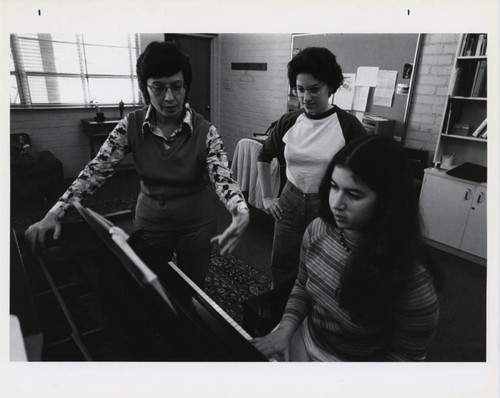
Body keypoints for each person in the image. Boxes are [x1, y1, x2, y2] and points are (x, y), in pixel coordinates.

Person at [24, 41, 250, 288]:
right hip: (151, 222)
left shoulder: (205, 131)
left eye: (176, 87)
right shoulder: (130, 125)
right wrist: (55, 212)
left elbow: (223, 178)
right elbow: (95, 170)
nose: (169, 98)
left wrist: (240, 210)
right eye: (158, 88)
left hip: (196, 225)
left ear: (186, 87)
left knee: (192, 288)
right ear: (145, 88)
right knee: (146, 285)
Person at [252, 135, 440, 361]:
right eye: (334, 186)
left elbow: (403, 362)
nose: (336, 204)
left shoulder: (413, 281)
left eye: (354, 194)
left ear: (387, 201)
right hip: (306, 336)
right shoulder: (317, 230)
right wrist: (285, 328)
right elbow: (302, 285)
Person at [257, 47, 366, 286]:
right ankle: (281, 309)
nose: (306, 97)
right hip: (290, 201)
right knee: (282, 262)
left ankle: (312, 314)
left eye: (314, 89)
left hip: (328, 205)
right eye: (300, 89)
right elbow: (264, 155)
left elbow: (367, 175)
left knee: (322, 266)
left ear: (330, 87)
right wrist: (267, 197)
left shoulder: (349, 126)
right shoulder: (288, 121)